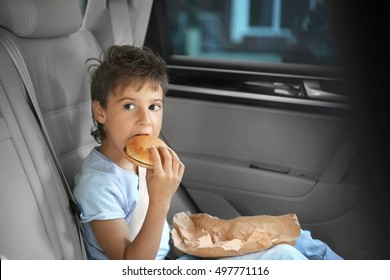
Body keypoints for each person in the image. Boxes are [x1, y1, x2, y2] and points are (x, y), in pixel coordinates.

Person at [73, 45, 339, 260]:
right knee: (283, 258)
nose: (145, 120)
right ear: (101, 112)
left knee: (298, 238)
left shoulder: (140, 158)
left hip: (175, 257)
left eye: (154, 106)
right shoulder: (98, 183)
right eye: (129, 106)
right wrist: (161, 201)